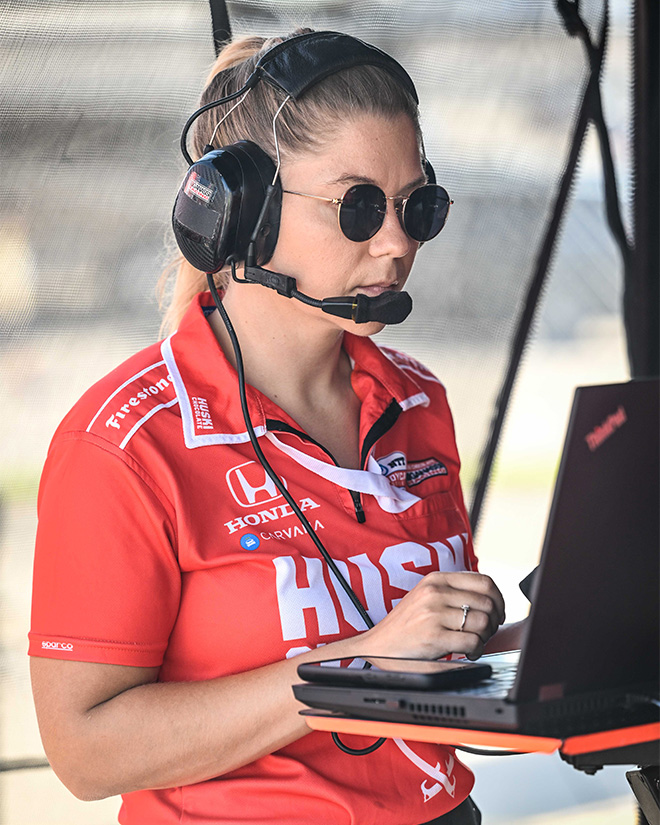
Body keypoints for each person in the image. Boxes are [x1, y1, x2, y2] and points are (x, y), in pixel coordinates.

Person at [29, 28, 524, 825]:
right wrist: (361, 661)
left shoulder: (420, 403)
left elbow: (422, 662)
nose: (397, 243)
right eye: (357, 207)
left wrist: (551, 641)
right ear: (240, 212)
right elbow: (85, 752)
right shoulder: (124, 442)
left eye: (416, 206)